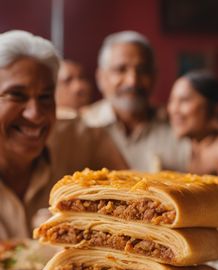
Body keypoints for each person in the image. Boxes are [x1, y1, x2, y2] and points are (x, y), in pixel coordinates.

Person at [0, 30, 127, 240]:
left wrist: (83, 222)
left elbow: (136, 204)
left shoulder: (82, 137)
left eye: (45, 97)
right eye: (17, 95)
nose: (35, 114)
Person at [81, 31, 191, 172]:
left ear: (154, 77)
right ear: (101, 78)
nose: (132, 81)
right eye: (121, 70)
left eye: (142, 70)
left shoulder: (179, 127)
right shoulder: (82, 126)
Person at [167, 70, 218, 175]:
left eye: (184, 100)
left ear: (216, 109)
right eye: (171, 101)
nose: (174, 109)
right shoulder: (192, 149)